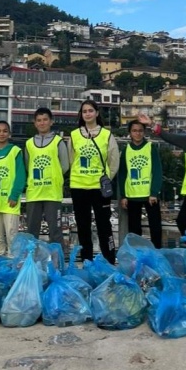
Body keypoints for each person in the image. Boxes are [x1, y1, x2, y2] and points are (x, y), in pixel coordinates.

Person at [69, 100, 119, 263]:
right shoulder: (74, 135)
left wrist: (106, 179)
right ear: (81, 115)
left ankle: (110, 260)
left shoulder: (106, 135)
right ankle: (87, 261)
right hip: (79, 187)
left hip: (99, 188)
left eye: (91, 111)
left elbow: (114, 161)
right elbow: (71, 160)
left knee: (104, 226)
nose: (88, 114)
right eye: (84, 111)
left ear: (97, 113)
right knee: (83, 227)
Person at [24, 108, 69, 246]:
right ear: (35, 123)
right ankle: (31, 263)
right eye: (39, 120)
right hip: (34, 193)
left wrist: (53, 176)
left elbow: (65, 165)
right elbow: (28, 165)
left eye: (45, 120)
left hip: (52, 193)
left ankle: (58, 263)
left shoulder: (58, 141)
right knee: (31, 232)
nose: (42, 123)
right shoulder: (29, 144)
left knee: (55, 230)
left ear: (51, 121)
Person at [118, 119, 163, 248]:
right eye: (134, 131)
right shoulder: (126, 150)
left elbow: (157, 170)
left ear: (144, 132)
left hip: (150, 195)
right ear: (130, 133)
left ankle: (157, 254)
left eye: (140, 131)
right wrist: (123, 195)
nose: (137, 133)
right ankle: (137, 256)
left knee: (155, 227)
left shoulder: (151, 148)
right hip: (132, 195)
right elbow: (122, 173)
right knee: (134, 229)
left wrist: (154, 192)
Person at [0, 121, 26, 256]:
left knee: (12, 233)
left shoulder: (15, 152)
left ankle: (12, 261)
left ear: (9, 134)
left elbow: (21, 175)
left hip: (10, 202)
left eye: (5, 131)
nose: (2, 133)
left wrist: (14, 194)